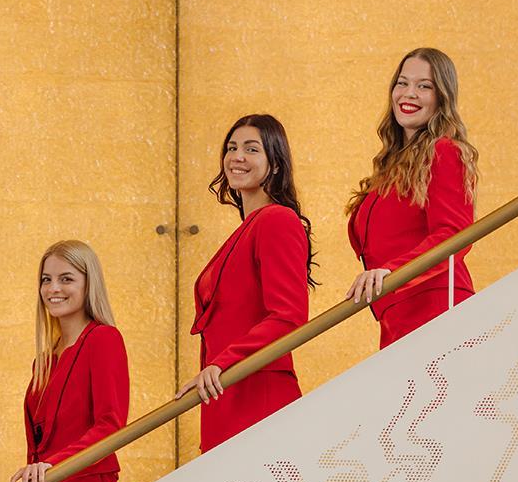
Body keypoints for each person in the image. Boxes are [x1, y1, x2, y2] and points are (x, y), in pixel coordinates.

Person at [177, 114, 316, 452]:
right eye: (231, 147)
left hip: (258, 396)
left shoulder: (277, 220)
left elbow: (288, 316)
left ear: (275, 164)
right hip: (227, 395)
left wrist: (222, 362)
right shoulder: (249, 228)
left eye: (251, 149)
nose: (237, 156)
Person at [345, 47, 480, 348]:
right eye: (402, 83)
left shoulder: (443, 151)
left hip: (436, 311)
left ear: (442, 97)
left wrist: (392, 271)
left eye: (424, 86)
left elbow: (455, 234)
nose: (409, 93)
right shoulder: (390, 170)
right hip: (397, 319)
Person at [9, 240, 129, 482]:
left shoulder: (103, 339)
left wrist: (53, 465)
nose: (53, 288)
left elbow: (111, 425)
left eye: (66, 278)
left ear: (89, 283)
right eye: (46, 280)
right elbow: (35, 447)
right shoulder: (45, 360)